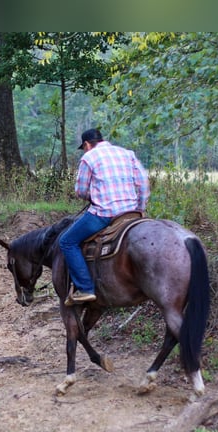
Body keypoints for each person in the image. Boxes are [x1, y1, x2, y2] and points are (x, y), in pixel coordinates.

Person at [59, 128, 150, 306]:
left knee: (67, 242)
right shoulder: (127, 153)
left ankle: (85, 288)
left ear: (86, 144)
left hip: (105, 214)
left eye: (84, 147)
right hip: (131, 213)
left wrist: (91, 196)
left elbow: (81, 190)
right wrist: (140, 208)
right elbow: (143, 183)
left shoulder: (89, 157)